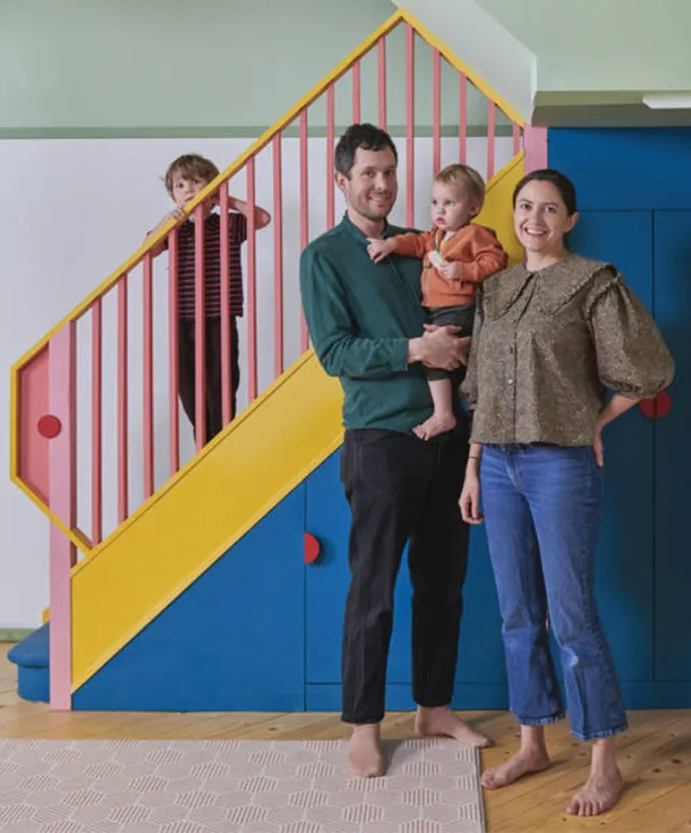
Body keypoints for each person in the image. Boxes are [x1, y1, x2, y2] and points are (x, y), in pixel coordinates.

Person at [458, 169, 674, 816]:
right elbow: (480, 387)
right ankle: (533, 742)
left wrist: (593, 422)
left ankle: (604, 762)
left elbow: (648, 368)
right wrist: (472, 465)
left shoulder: (594, 282)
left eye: (549, 209)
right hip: (496, 462)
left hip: (560, 466)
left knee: (572, 614)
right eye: (525, 206)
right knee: (517, 611)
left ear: (570, 218)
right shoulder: (493, 289)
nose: (535, 218)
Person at [299, 123, 490, 778]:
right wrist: (416, 350)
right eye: (369, 173)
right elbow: (334, 352)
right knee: (373, 587)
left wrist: (459, 350)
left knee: (444, 584)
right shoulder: (324, 256)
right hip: (380, 438)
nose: (382, 184)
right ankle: (363, 725)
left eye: (390, 170)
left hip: (450, 433)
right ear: (343, 180)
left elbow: (460, 312)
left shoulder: (423, 246)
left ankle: (434, 706)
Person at [366, 163, 507, 441]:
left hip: (460, 308)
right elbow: (415, 242)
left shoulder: (475, 234)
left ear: (472, 208)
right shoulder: (435, 237)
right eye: (435, 202)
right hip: (437, 310)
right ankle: (453, 408)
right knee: (440, 359)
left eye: (449, 203)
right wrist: (391, 245)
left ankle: (444, 414)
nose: (439, 210)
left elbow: (495, 261)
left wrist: (463, 271)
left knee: (435, 358)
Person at [146, 153, 271, 443]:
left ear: (212, 187)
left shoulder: (227, 224)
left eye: (196, 182)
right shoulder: (175, 230)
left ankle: (222, 436)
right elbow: (148, 250)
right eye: (180, 185)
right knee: (188, 386)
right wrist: (169, 219)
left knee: (222, 381)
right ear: (173, 195)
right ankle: (203, 439)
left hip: (220, 316)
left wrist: (225, 200)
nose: (188, 189)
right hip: (185, 317)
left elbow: (262, 219)